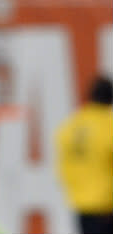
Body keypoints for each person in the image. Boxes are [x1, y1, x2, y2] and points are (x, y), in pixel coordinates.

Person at [55, 75, 113, 234]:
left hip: (80, 204)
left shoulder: (71, 126)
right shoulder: (108, 124)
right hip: (106, 207)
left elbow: (64, 164)